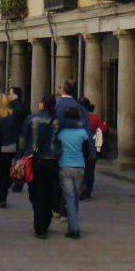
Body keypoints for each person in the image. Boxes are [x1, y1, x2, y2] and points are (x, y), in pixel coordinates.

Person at [17, 94, 62, 238]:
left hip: (34, 160)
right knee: (48, 192)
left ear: (42, 104)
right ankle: (45, 222)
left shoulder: (32, 118)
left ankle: (39, 224)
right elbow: (59, 141)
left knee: (36, 191)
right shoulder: (57, 120)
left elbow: (23, 139)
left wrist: (20, 156)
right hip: (51, 160)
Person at [55, 98, 95, 239]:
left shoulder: (61, 133)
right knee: (74, 197)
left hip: (65, 166)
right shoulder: (83, 133)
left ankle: (74, 228)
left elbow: (57, 149)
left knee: (70, 197)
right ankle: (73, 224)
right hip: (79, 167)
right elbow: (87, 151)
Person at [0, 93, 22, 209]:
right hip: (10, 146)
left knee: (0, 173)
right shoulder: (13, 114)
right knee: (6, 169)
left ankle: (2, 197)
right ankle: (5, 190)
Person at [81, 97, 107, 199]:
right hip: (93, 146)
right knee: (90, 170)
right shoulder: (96, 118)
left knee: (81, 168)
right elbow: (104, 130)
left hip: (81, 145)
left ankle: (81, 189)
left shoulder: (79, 117)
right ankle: (88, 191)